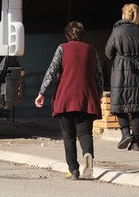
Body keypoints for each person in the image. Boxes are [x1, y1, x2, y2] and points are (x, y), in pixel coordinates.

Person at [35, 21, 103, 180]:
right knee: (85, 133)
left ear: (67, 35)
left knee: (68, 135)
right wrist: (97, 94)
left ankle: (74, 170)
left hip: (65, 97)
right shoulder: (92, 50)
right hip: (86, 97)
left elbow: (51, 71)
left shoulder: (62, 48)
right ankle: (87, 154)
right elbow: (99, 75)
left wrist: (41, 92)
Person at [105, 3, 139, 151]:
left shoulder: (117, 31)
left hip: (121, 69)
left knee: (120, 104)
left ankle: (125, 132)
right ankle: (135, 142)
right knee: (137, 107)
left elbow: (109, 52)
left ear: (123, 15)